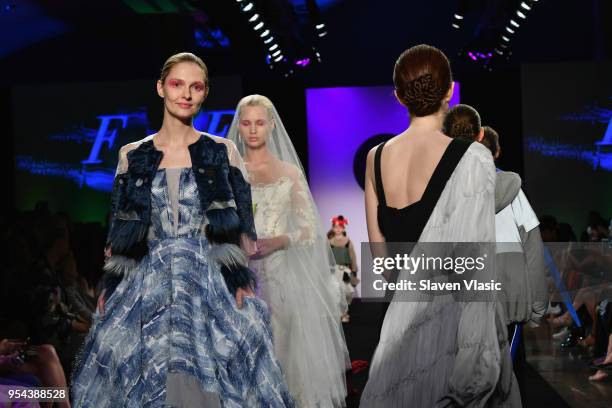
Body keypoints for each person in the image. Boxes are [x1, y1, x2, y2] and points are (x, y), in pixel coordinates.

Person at [71, 53, 293, 407]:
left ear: (204, 94)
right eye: (177, 84)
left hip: (206, 282)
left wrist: (240, 283)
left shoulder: (223, 152)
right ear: (161, 88)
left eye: (196, 86)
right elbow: (120, 233)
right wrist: (111, 286)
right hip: (146, 284)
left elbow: (241, 232)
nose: (186, 94)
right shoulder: (133, 155)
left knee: (215, 376)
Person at [360, 45, 520, 407]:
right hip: (455, 323)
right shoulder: (474, 159)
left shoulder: (376, 158)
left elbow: (382, 261)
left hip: (399, 325)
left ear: (398, 96)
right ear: (450, 90)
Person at [227, 94, 350, 407]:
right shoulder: (229, 173)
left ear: (271, 126)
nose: (253, 129)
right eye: (246, 123)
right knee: (243, 353)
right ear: (238, 127)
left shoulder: (289, 172)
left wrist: (280, 240)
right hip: (239, 276)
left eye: (259, 122)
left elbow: (310, 231)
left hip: (283, 278)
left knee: (283, 353)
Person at [443, 107, 548, 404]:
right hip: (509, 290)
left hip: (467, 290)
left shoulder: (445, 189)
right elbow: (532, 245)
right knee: (507, 375)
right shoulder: (512, 189)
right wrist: (538, 304)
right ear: (486, 141)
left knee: (467, 374)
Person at [327, 215, 359, 322]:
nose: (338, 229)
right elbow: (325, 256)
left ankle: (344, 313)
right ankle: (338, 314)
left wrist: (353, 271)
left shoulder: (347, 241)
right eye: (335, 227)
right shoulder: (329, 242)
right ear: (332, 228)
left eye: (340, 226)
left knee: (347, 292)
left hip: (345, 270)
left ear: (343, 227)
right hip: (333, 270)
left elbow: (352, 256)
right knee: (335, 292)